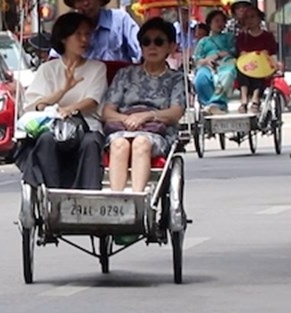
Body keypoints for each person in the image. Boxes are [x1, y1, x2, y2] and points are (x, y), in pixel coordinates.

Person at [20, 12, 108, 190]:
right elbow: (38, 105)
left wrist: (70, 109)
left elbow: (92, 100)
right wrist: (64, 89)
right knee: (45, 141)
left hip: (87, 126)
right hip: (53, 127)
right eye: (78, 35)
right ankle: (53, 195)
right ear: (63, 39)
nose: (84, 40)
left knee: (90, 144)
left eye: (87, 34)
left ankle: (88, 197)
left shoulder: (97, 68)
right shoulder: (47, 69)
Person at [103, 18, 185, 192]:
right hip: (123, 127)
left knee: (141, 142)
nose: (152, 47)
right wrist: (128, 119)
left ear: (170, 47)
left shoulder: (176, 78)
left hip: (157, 130)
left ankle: (137, 200)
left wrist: (147, 116)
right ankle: (118, 201)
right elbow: (108, 111)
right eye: (146, 42)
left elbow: (176, 112)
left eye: (159, 41)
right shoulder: (125, 74)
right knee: (119, 144)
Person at [57, 0, 142, 63]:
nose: (85, 3)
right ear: (74, 5)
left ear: (100, 0)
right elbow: (55, 57)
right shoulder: (69, 27)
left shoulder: (120, 20)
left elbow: (141, 49)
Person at [235, 4, 278, 113]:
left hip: (263, 65)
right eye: (247, 18)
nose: (250, 20)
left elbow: (269, 52)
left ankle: (255, 98)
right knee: (242, 70)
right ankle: (243, 100)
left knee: (259, 70)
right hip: (246, 65)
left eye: (253, 17)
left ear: (259, 19)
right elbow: (242, 53)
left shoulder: (267, 36)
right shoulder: (242, 36)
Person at [193, 10, 237, 114]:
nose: (220, 24)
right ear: (210, 23)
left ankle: (217, 103)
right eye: (217, 21)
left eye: (222, 21)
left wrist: (220, 54)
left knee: (227, 74)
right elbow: (197, 58)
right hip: (207, 65)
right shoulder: (203, 41)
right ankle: (208, 105)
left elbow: (234, 51)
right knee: (201, 77)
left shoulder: (229, 37)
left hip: (226, 62)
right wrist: (206, 61)